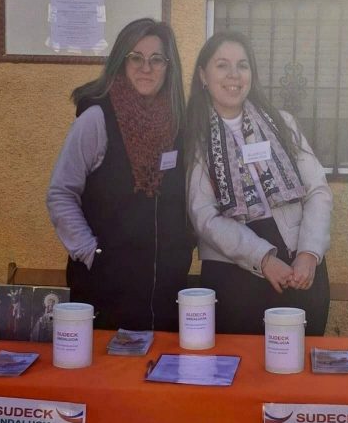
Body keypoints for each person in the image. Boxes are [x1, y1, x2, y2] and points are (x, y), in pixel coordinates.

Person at [47, 18, 193, 331]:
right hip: (104, 287)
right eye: (136, 57)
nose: (146, 67)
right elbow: (61, 193)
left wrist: (185, 244)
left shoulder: (179, 123)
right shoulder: (97, 118)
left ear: (169, 67)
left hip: (165, 290)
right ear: (121, 61)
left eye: (157, 59)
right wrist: (91, 253)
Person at [185, 31, 332, 335]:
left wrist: (309, 253)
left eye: (242, 65)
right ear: (203, 74)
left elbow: (317, 190)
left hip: (298, 266)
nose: (234, 75)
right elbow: (204, 217)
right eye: (222, 65)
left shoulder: (283, 123)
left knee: (299, 371)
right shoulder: (193, 138)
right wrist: (263, 258)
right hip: (233, 273)